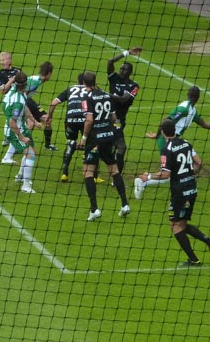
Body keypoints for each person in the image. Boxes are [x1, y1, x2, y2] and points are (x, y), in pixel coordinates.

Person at [142, 118, 210, 266]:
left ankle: (194, 260)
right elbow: (199, 163)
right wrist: (191, 175)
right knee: (182, 224)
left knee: (175, 226)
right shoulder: (186, 143)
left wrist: (148, 177)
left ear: (163, 132)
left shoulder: (167, 149)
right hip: (191, 189)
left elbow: (165, 174)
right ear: (175, 130)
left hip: (179, 193)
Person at [135, 86, 210, 199]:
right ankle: (143, 180)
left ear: (188, 94)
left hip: (178, 141)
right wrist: (157, 135)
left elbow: (204, 124)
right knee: (168, 174)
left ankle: (181, 180)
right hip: (166, 141)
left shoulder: (192, 111)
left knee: (198, 164)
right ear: (198, 98)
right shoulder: (183, 109)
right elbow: (167, 120)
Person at [81, 71, 131, 221]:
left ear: (84, 83)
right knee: (114, 169)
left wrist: (84, 138)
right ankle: (125, 204)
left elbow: (89, 120)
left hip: (94, 139)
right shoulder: (106, 94)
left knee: (88, 172)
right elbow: (114, 117)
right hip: (108, 137)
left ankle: (94, 209)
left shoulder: (87, 97)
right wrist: (113, 131)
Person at [107, 46, 142, 173]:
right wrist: (126, 53)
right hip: (110, 118)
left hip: (120, 119)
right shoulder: (114, 79)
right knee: (121, 146)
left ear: (129, 72)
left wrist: (105, 95)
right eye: (121, 68)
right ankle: (116, 177)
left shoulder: (133, 85)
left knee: (113, 145)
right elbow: (110, 62)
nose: (121, 70)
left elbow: (123, 100)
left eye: (124, 69)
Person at [2, 72, 37, 194]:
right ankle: (26, 186)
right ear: (26, 84)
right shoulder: (18, 102)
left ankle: (20, 176)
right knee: (30, 155)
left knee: (32, 152)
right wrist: (21, 137)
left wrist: (34, 120)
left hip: (22, 127)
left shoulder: (17, 93)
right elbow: (12, 122)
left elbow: (25, 108)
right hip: (14, 131)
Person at [48, 73, 86, 181]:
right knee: (89, 142)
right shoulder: (90, 89)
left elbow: (53, 103)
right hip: (85, 119)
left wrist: (49, 116)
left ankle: (65, 173)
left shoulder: (70, 89)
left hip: (71, 119)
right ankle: (91, 173)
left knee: (71, 142)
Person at [24, 61, 56, 151]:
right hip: (21, 101)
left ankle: (47, 145)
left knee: (47, 119)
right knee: (30, 124)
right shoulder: (35, 82)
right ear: (49, 73)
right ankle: (21, 145)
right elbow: (22, 95)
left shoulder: (38, 80)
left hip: (28, 100)